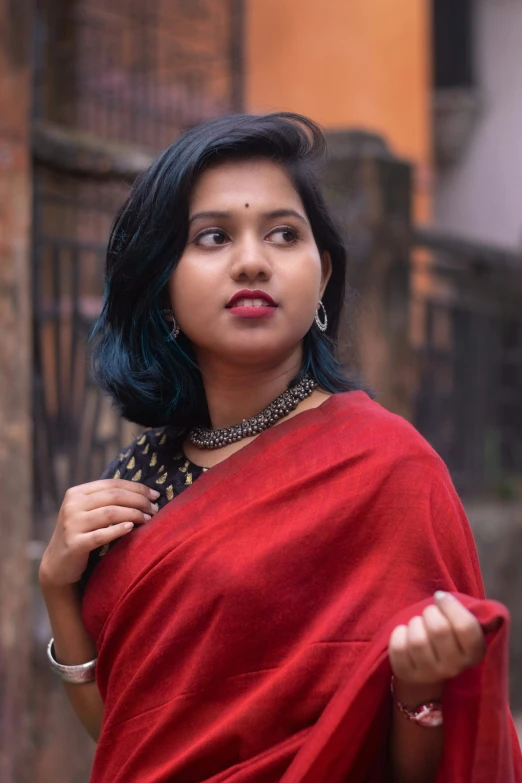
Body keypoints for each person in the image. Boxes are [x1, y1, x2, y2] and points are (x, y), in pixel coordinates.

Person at [39, 113, 522, 783]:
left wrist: (420, 691)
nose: (252, 260)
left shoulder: (388, 468)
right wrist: (59, 592)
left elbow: (448, 754)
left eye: (282, 234)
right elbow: (128, 734)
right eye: (213, 236)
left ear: (321, 274)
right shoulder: (141, 478)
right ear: (164, 288)